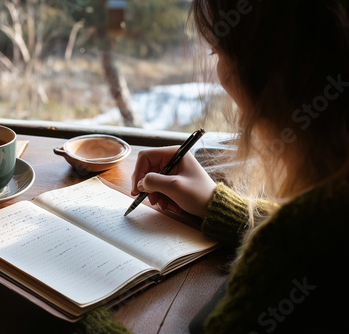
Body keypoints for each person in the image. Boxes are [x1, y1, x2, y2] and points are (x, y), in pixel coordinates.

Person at [130, 0, 349, 333]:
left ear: (267, 71)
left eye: (217, 53)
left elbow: (301, 239)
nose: (221, 77)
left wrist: (80, 320)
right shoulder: (321, 213)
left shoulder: (290, 249)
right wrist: (217, 204)